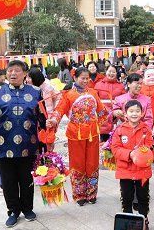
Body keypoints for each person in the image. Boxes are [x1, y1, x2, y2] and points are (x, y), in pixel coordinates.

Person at [0, 60, 45, 227]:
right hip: (4, 145)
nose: (13, 73)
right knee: (8, 182)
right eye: (10, 70)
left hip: (29, 145)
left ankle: (28, 208)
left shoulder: (35, 92)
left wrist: (48, 125)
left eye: (17, 70)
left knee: (27, 180)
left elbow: (43, 116)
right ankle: (13, 211)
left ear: (25, 74)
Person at [46, 67, 108, 206]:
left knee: (92, 163)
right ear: (75, 78)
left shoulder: (93, 93)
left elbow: (102, 111)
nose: (85, 80)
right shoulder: (68, 95)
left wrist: (96, 124)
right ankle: (79, 194)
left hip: (92, 134)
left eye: (87, 78)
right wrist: (54, 120)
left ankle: (91, 193)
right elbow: (59, 110)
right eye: (82, 78)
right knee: (77, 163)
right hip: (75, 134)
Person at [111, 100, 154, 229]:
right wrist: (130, 154)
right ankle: (127, 220)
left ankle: (144, 219)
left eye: (137, 111)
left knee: (143, 196)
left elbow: (150, 144)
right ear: (125, 113)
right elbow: (115, 148)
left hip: (142, 171)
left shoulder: (146, 129)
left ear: (142, 113)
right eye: (131, 111)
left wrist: (143, 152)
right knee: (126, 196)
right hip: (125, 171)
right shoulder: (119, 130)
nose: (134, 114)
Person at [26, 67, 61, 153]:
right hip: (36, 116)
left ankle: (46, 160)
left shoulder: (47, 88)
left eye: (29, 77)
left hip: (46, 117)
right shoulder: (30, 88)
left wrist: (52, 117)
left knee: (46, 140)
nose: (27, 79)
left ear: (35, 78)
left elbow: (54, 102)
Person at [94, 65, 126, 143]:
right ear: (106, 72)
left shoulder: (120, 86)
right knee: (104, 142)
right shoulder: (98, 84)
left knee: (115, 141)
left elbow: (124, 101)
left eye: (113, 72)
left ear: (116, 73)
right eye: (109, 71)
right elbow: (95, 100)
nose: (111, 73)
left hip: (116, 117)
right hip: (103, 116)